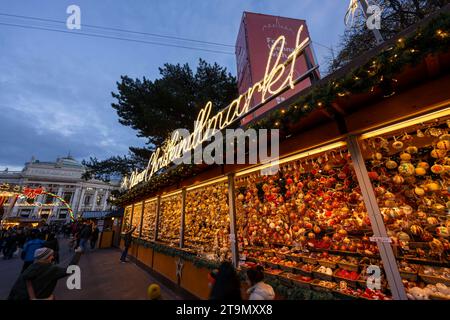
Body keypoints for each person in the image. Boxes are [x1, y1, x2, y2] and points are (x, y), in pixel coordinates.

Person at [8, 247, 82, 300]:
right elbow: (70, 270)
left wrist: (32, 297)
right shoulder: (51, 269)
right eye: (51, 255)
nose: (52, 257)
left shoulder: (32, 267)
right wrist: (78, 254)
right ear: (46, 257)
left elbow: (27, 280)